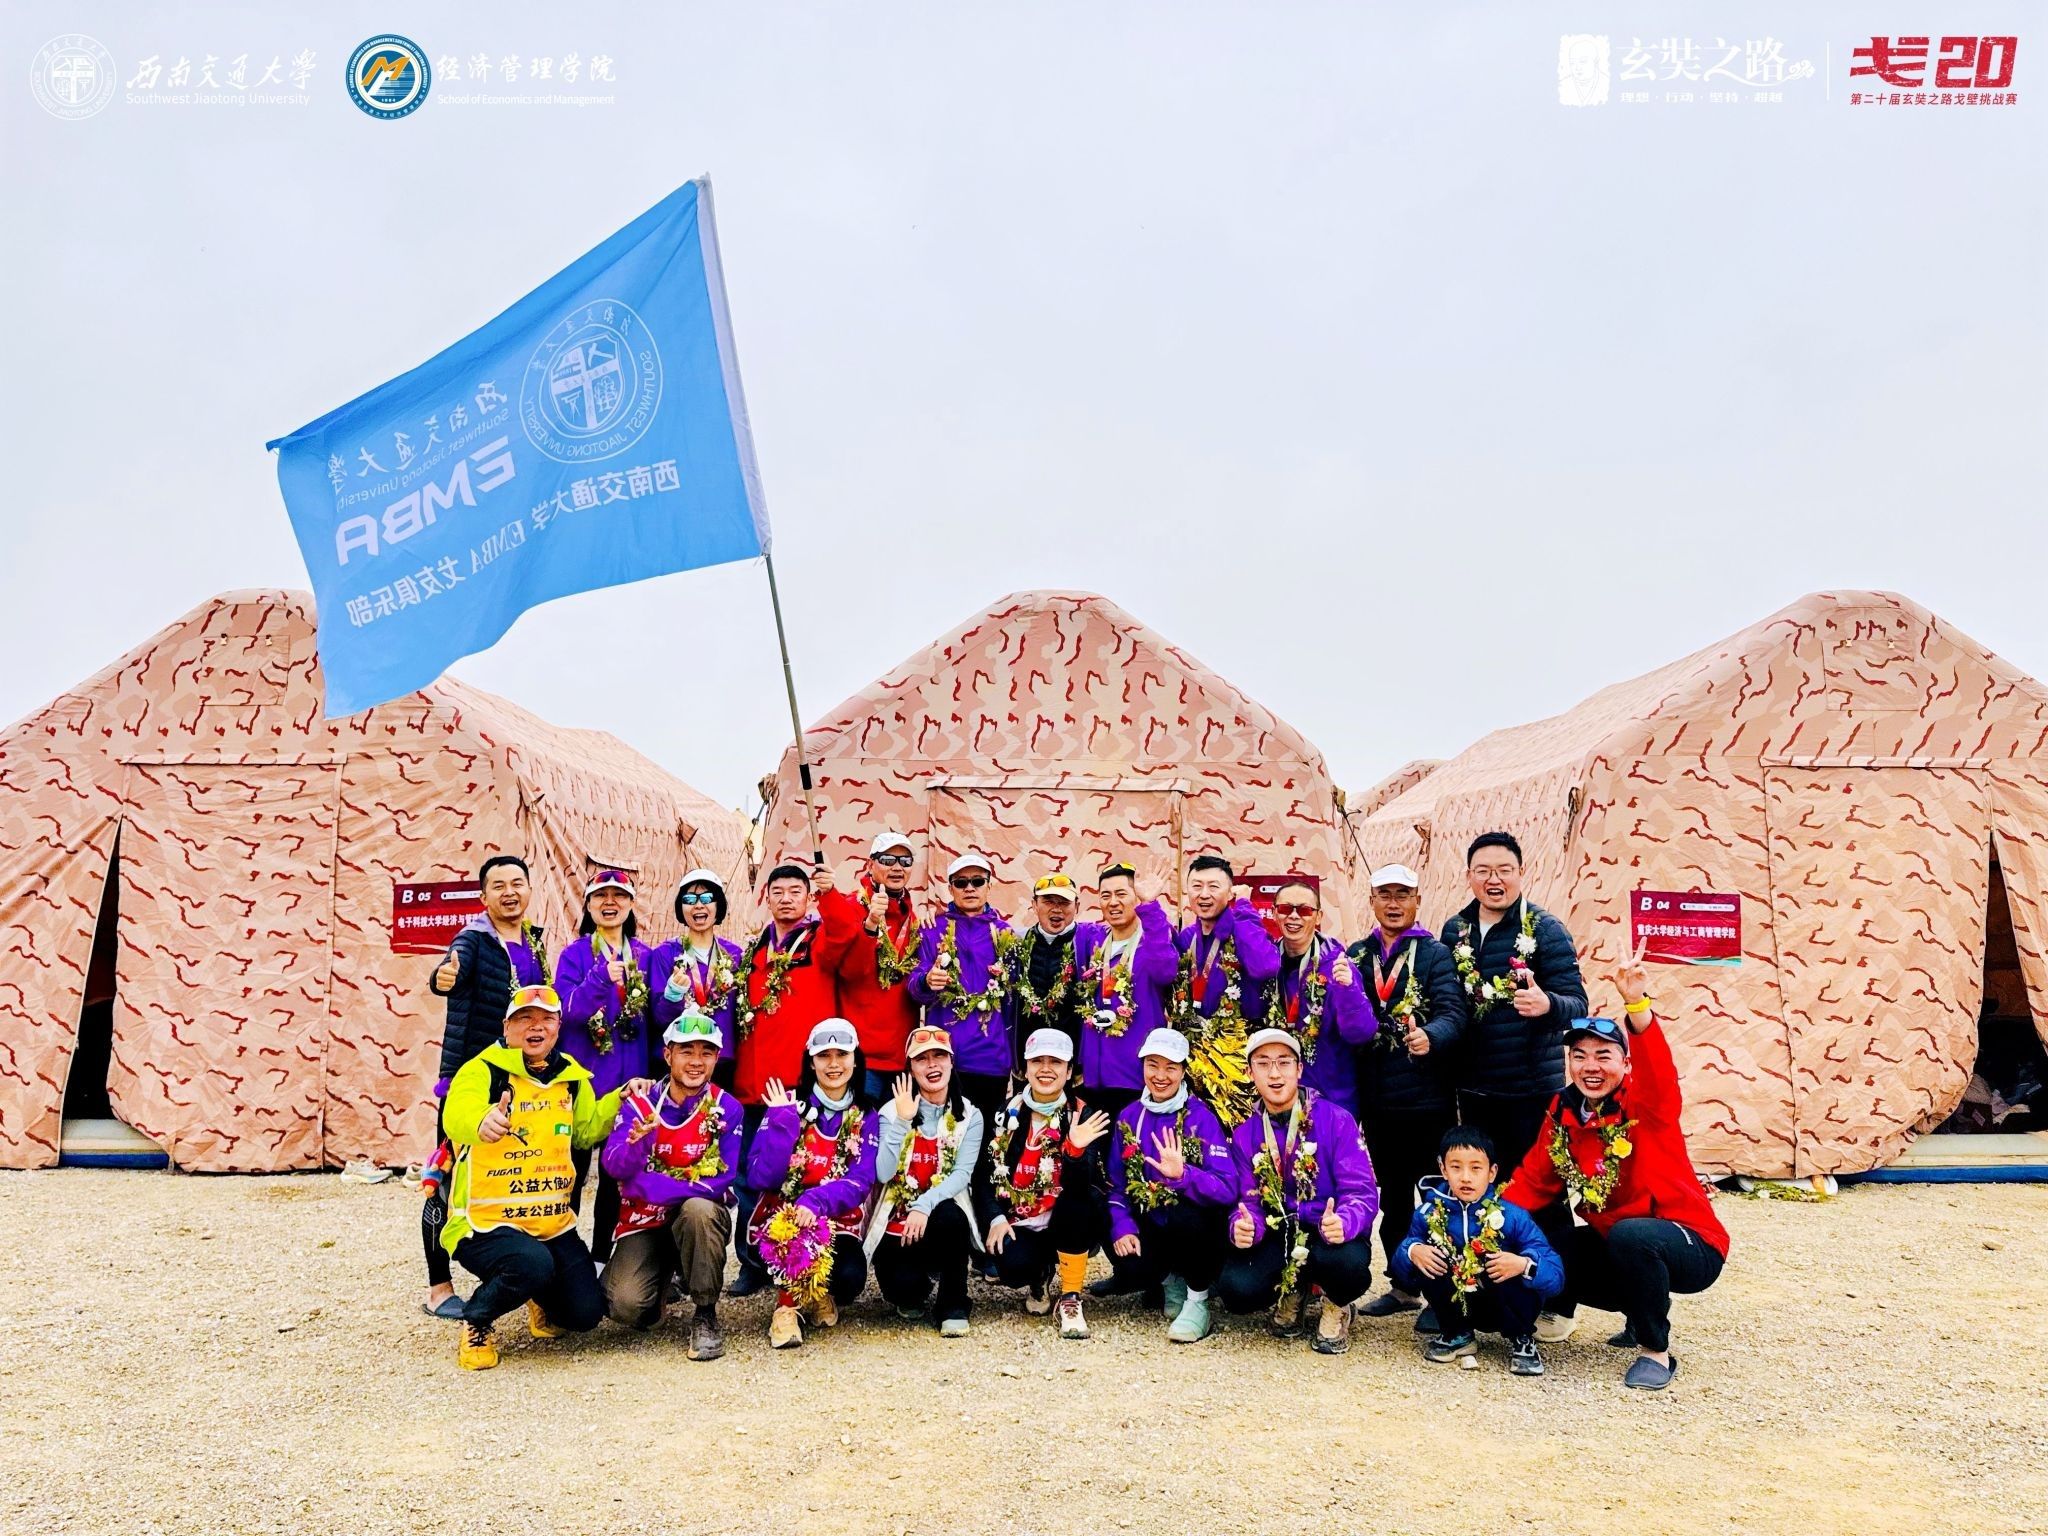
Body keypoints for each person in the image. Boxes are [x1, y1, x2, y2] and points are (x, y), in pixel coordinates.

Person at [1501, 948, 1730, 1390]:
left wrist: (1636, 1004)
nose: (1591, 1067)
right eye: (1580, 1056)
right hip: (1622, 1242)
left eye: (1603, 1055)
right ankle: (1629, 1310)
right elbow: (1534, 1179)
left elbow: (1658, 1070)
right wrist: (1483, 1220)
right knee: (1554, 1246)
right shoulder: (1563, 1109)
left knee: (1632, 1235)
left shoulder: (1647, 1104)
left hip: (1692, 1244)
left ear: (1625, 1064)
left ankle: (1654, 1351)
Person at [1439, 830, 1587, 1340]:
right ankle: (1480, 1294)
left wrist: (1548, 1005)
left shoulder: (1545, 930)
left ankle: (1558, 1303)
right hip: (1474, 1090)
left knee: (1544, 1195)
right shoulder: (1455, 930)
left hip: (1531, 1089)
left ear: (1521, 873)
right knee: (1477, 1193)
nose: (1494, 879)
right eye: (1483, 871)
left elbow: (1577, 1004)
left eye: (1504, 870)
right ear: (1469, 877)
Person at [438, 985, 623, 1370]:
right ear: (506, 1027)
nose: (536, 1027)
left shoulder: (570, 1076)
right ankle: (478, 1319)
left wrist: (619, 1099)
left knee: (584, 1314)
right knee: (529, 1264)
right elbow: (455, 1114)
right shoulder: (482, 1070)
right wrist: (481, 1120)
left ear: (558, 1028)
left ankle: (536, 1295)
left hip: (550, 1222)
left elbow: (585, 1132)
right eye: (524, 1018)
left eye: (546, 1019)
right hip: (486, 1223)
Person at [421, 854, 550, 1320]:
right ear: (483, 896)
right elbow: (448, 974)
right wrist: (441, 978)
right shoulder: (472, 939)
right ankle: (438, 1287)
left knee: (514, 1175)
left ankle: (517, 1276)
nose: (509, 892)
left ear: (530, 890)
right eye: (499, 885)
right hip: (471, 1079)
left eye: (518, 883)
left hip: (517, 1080)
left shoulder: (534, 942)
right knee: (446, 1179)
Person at [1349, 863, 1468, 1327]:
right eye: (1385, 895)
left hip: (1427, 1100)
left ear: (1418, 901)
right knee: (1394, 1198)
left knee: (1436, 1196)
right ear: (1372, 901)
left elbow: (1454, 1013)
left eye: (1403, 895)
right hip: (1377, 1101)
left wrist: (1431, 1036)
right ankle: (1402, 1286)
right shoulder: (1358, 955)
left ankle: (1443, 1293)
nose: (1394, 903)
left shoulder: (1435, 955)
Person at [729, 860, 854, 1297]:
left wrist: (830, 893)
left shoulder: (820, 940)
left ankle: (803, 1257)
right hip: (755, 1082)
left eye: (795, 891)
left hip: (802, 1083)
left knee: (800, 1174)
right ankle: (753, 1262)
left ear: (807, 897)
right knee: (751, 1177)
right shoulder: (754, 950)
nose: (786, 899)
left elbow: (847, 933)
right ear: (766, 897)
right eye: (777, 891)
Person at [1218, 1028, 1378, 1355]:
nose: (1275, 1074)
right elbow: (1248, 1201)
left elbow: (1362, 1191)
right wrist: (1244, 1226)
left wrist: (1345, 1221)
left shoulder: (1336, 1120)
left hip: (1329, 1231)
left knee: (1346, 1266)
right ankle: (1296, 1287)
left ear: (1299, 1069)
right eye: (1263, 1064)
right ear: (1249, 1072)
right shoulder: (1246, 1133)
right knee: (1236, 1289)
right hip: (1282, 1232)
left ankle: (1337, 1304)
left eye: (1284, 1062)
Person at [599, 1011, 742, 1360]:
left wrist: (650, 1189)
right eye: (686, 1051)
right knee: (624, 1305)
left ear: (717, 1058)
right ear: (668, 1055)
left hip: (692, 1217)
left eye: (706, 1052)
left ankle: (705, 1313)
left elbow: (721, 1180)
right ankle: (663, 1280)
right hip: (645, 1221)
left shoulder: (727, 1108)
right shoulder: (640, 1103)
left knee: (699, 1210)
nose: (696, 1062)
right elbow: (614, 1167)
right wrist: (636, 1147)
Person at [745, 1018, 879, 1350]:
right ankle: (785, 1308)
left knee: (849, 1278)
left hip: (835, 1221)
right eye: (824, 1056)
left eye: (842, 1055)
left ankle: (817, 1292)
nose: (833, 1064)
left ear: (855, 1059)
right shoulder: (788, 1103)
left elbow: (861, 1180)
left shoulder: (866, 1113)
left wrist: (816, 1201)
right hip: (783, 1219)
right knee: (791, 1232)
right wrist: (782, 1124)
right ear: (810, 1061)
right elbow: (760, 1177)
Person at [1389, 1126, 1563, 1376]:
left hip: (1503, 1300)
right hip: (1460, 1302)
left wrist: (1524, 1265)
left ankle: (1521, 1337)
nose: (1466, 1177)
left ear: (1492, 1172)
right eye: (1456, 1167)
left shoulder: (1513, 1215)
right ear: (1443, 1169)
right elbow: (1401, 1269)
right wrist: (1412, 1251)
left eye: (1476, 1168)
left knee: (1506, 1265)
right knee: (1431, 1257)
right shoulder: (1428, 1213)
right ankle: (1457, 1333)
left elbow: (1555, 1276)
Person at [976, 1028, 1115, 1339]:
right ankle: (1039, 1275)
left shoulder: (1083, 1114)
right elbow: (984, 1174)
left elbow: (1084, 1186)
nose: (1046, 1069)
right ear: (1025, 1069)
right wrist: (995, 1218)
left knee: (1080, 1200)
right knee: (1012, 1267)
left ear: (1069, 1071)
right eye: (1037, 1061)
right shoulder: (1006, 1113)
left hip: (1068, 1219)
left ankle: (1070, 1297)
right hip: (1022, 1217)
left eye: (1056, 1062)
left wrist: (1075, 1151)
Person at [1103, 1028, 1236, 1343]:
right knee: (1110, 1227)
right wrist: (1122, 1226)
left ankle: (1198, 1298)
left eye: (1171, 1067)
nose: (1160, 1076)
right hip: (1152, 1221)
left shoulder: (1201, 1118)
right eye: (1153, 1065)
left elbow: (1228, 1187)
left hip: (1191, 1226)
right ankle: (1168, 1278)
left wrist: (1185, 1176)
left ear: (1183, 1071)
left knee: (1184, 1212)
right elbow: (1116, 1185)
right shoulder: (1129, 1116)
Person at [553, 870, 657, 1265]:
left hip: (629, 1084)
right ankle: (565, 1259)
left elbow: (656, 1019)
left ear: (631, 904)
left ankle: (601, 1259)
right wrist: (599, 978)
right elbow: (566, 1012)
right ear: (588, 905)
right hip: (583, 1085)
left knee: (616, 1177)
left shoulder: (646, 956)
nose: (609, 903)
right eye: (600, 896)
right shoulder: (575, 955)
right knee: (572, 1174)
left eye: (619, 896)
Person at [906, 852, 1014, 1214]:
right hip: (946, 1061)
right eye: (961, 882)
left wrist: (1013, 1058)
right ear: (950, 888)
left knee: (985, 1150)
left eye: (977, 881)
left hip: (992, 1060)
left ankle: (985, 1227)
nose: (970, 888)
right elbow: (913, 987)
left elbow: (1014, 999)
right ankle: (942, 1223)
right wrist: (927, 981)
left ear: (989, 886)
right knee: (942, 1146)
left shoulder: (1005, 934)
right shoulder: (933, 929)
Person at [867, 1025, 984, 1337]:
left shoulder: (970, 1115)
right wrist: (902, 1121)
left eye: (939, 1056)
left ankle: (953, 1304)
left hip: (938, 1215)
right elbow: (883, 1173)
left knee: (952, 1217)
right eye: (922, 1059)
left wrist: (924, 1205)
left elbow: (962, 1174)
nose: (932, 1065)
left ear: (951, 1062)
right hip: (898, 1221)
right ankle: (915, 1284)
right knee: (904, 1291)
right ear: (911, 1068)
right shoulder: (891, 1111)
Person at [1172, 854, 1280, 1127]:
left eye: (1214, 886)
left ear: (1230, 892)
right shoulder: (1187, 938)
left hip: (1238, 1062)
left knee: (1243, 1136)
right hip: (1195, 1061)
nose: (1204, 894)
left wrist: (1244, 907)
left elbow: (1265, 966)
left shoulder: (1243, 930)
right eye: (1197, 886)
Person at [819, 833, 923, 1104]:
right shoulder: (851, 907)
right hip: (862, 1056)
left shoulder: (914, 919)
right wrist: (871, 924)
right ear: (870, 864)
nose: (897, 867)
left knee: (898, 1129)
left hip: (902, 1056)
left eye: (905, 861)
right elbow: (849, 972)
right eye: (888, 859)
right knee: (860, 1129)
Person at [1074, 862, 1180, 1125]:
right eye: (1106, 895)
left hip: (1135, 1077)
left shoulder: (1153, 939)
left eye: (1121, 894)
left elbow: (1166, 972)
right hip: (1094, 1079)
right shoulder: (1094, 941)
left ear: (1136, 896)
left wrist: (1150, 906)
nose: (1113, 902)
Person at [1264, 880, 1374, 1112]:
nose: (1294, 916)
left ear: (1318, 916)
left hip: (1330, 1100)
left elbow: (1361, 1034)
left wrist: (1348, 991)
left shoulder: (1338, 966)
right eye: (1285, 909)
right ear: (1274, 913)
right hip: (1276, 1096)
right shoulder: (1266, 965)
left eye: (1304, 910)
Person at [647, 869, 746, 1086]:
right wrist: (673, 995)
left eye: (707, 898)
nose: (698, 905)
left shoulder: (735, 955)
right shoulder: (664, 954)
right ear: (680, 908)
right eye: (690, 899)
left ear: (718, 905)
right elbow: (658, 1018)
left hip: (721, 1060)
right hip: (677, 1060)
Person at [1006, 872, 1086, 1062]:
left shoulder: (1090, 942)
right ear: (1034, 905)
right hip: (1027, 1058)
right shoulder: (1015, 942)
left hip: (1074, 1061)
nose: (1056, 909)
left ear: (1077, 906)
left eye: (1064, 902)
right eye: (1048, 901)